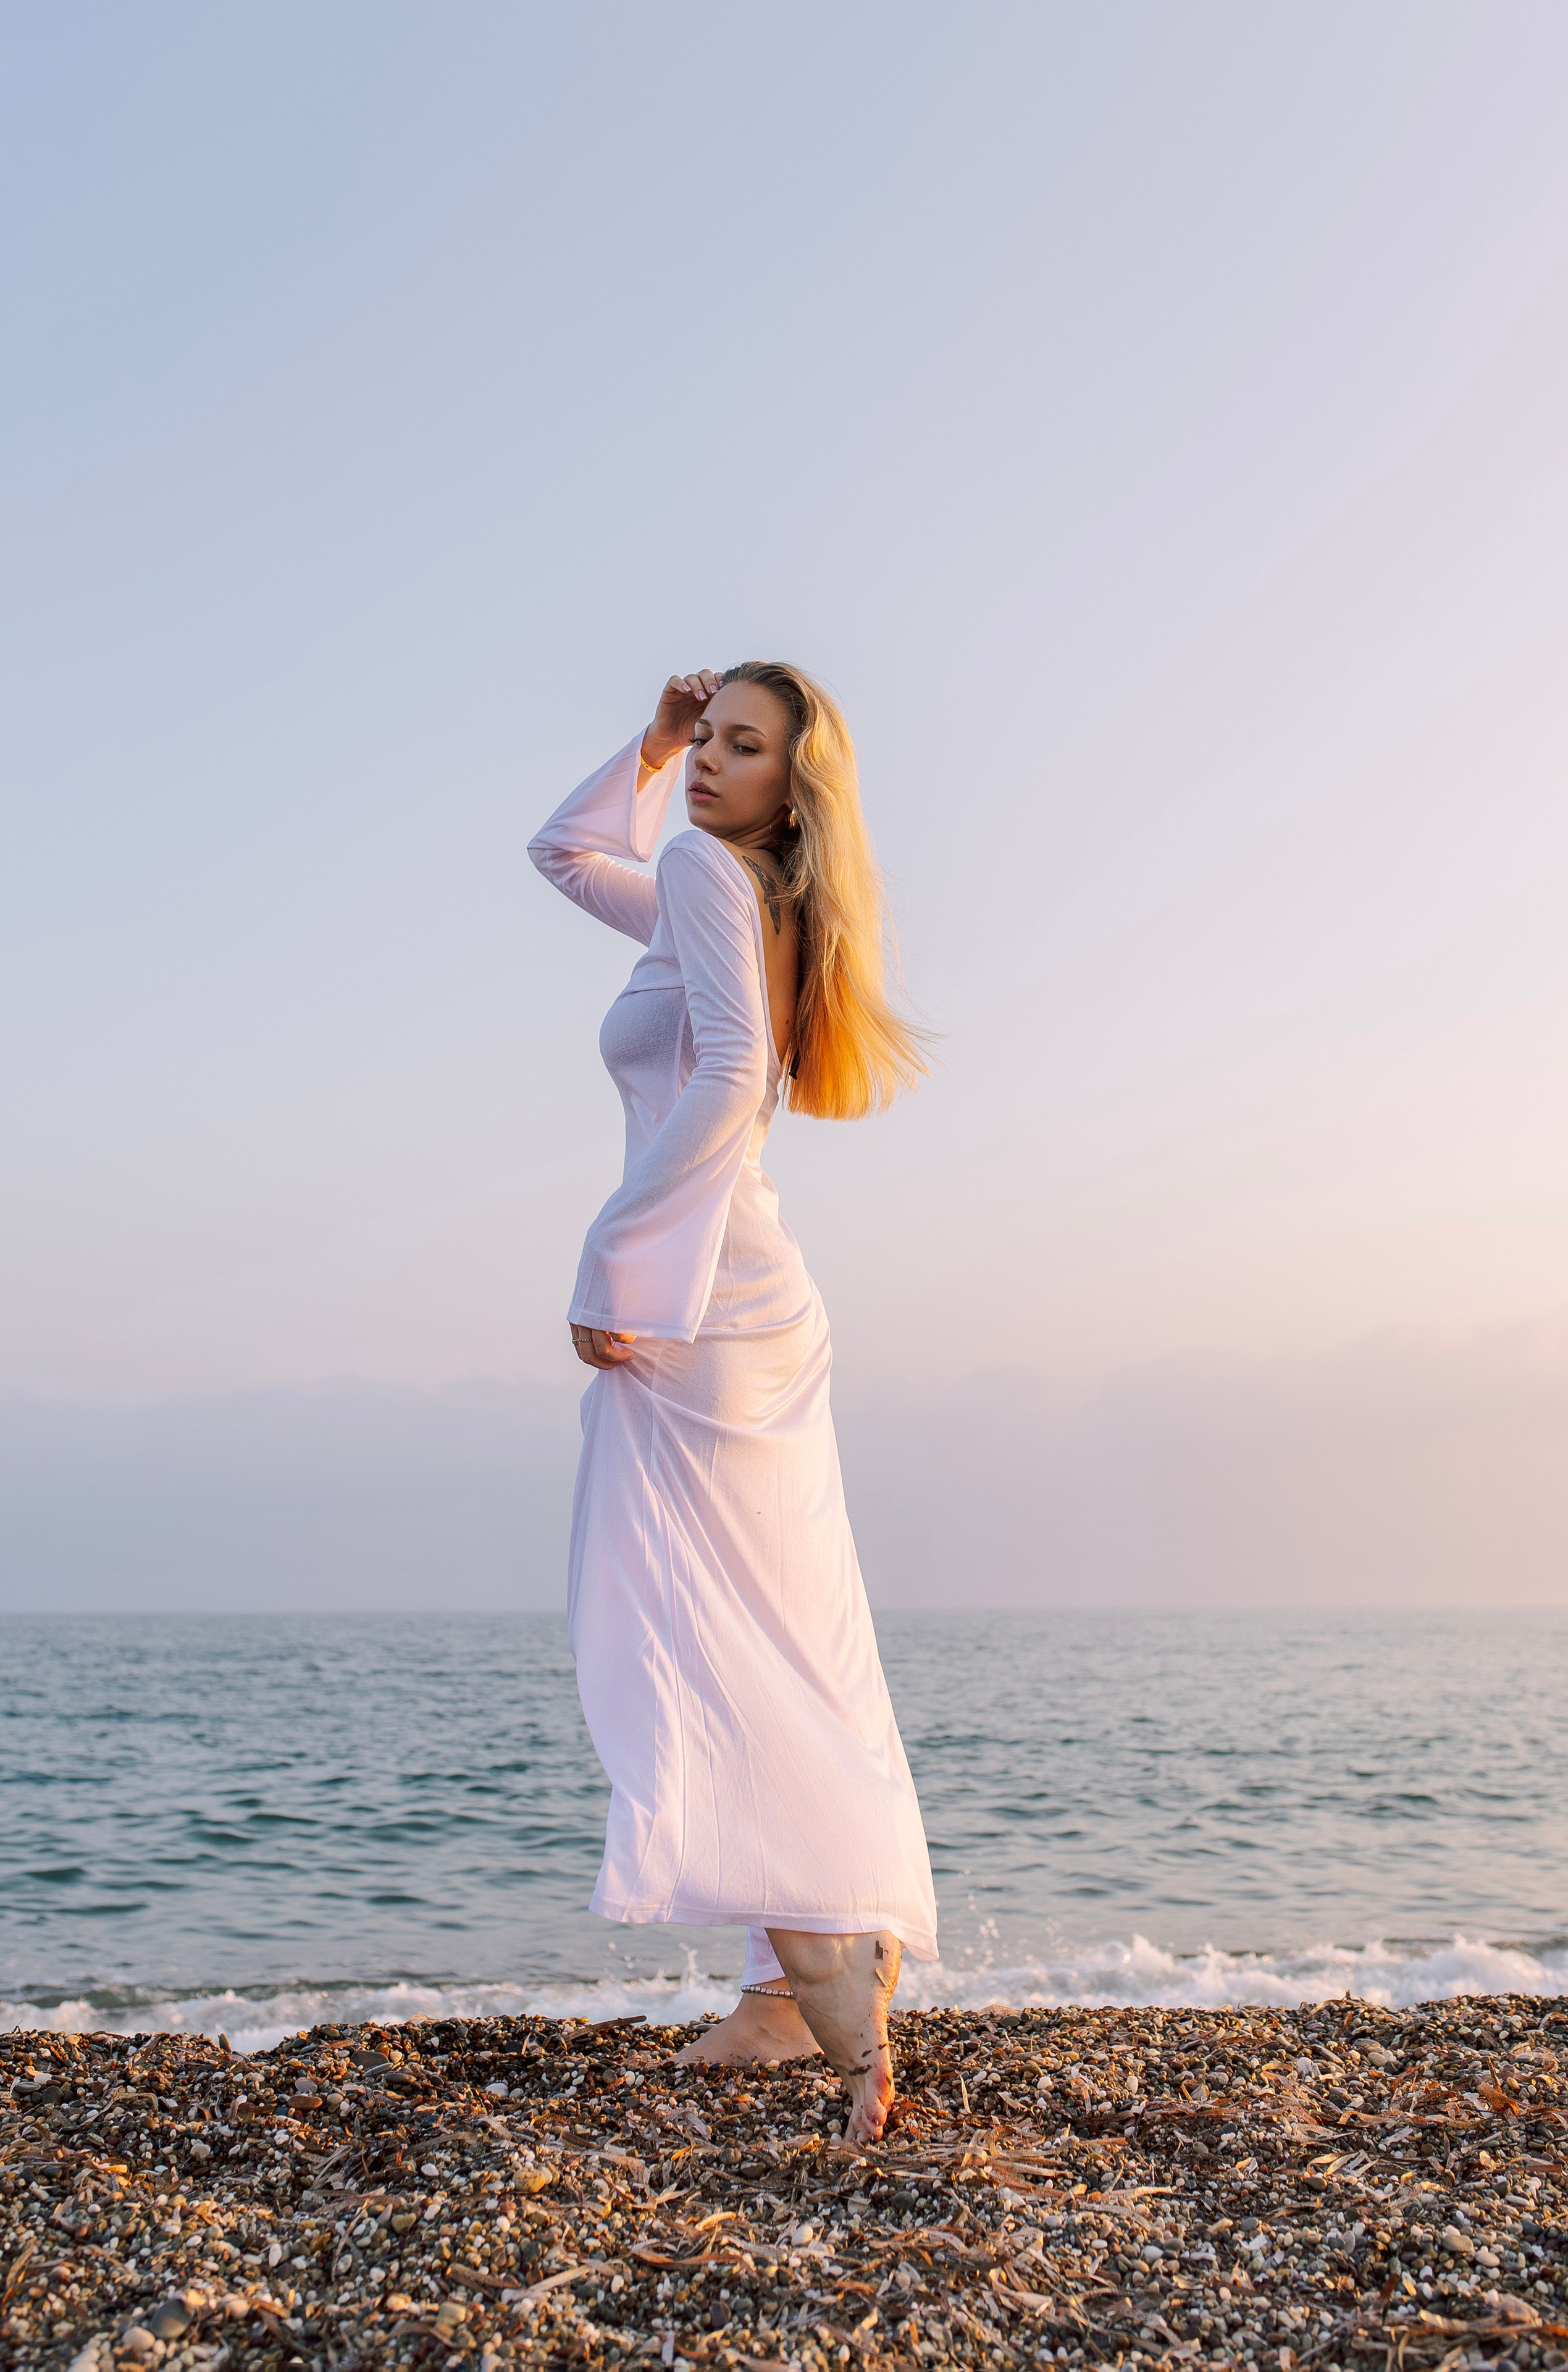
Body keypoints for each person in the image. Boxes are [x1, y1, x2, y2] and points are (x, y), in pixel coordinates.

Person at [529, 663, 937, 2142]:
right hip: (755, 1296)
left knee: (680, 1614)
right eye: (702, 738)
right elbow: (570, 857)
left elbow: (726, 1080)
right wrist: (638, 743)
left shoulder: (709, 872)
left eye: (738, 747)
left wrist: (618, 1259)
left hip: (701, 1299)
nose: (705, 767)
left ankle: (825, 1995)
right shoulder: (733, 885)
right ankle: (799, 1983)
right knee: (777, 1625)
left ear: (790, 782)